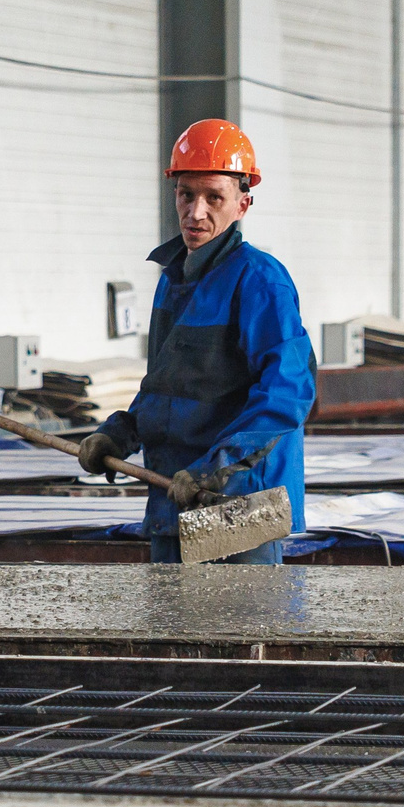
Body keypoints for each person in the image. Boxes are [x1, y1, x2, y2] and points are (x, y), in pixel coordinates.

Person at [78, 119, 314, 564]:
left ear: (243, 204)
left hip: (241, 502)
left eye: (214, 198)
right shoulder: (172, 280)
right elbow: (165, 391)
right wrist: (119, 434)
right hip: (174, 493)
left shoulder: (261, 281)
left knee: (244, 627)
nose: (196, 212)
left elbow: (288, 393)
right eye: (187, 195)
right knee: (172, 627)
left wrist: (218, 469)